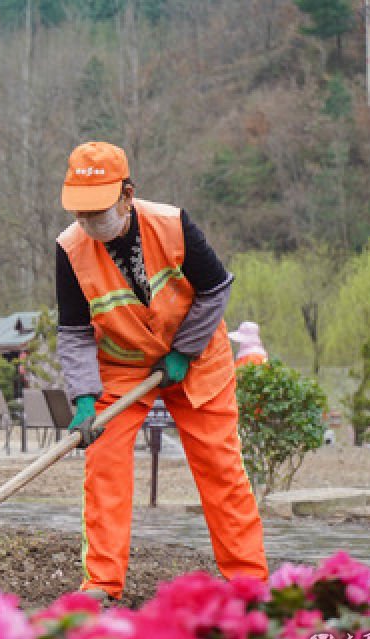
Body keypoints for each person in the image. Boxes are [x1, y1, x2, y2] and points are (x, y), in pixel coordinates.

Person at [55, 141, 268, 601]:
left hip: (196, 358)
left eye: (98, 211)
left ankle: (248, 581)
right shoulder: (70, 249)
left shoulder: (172, 225)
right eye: (80, 212)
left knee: (221, 468)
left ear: (127, 196)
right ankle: (101, 584)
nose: (88, 222)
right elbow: (73, 331)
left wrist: (184, 351)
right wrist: (85, 398)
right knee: (104, 465)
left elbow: (216, 289)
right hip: (123, 366)